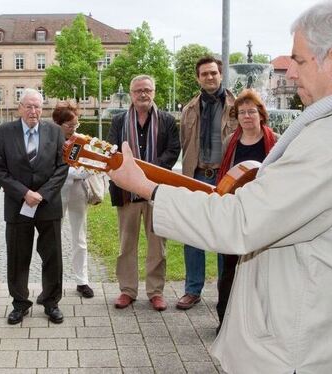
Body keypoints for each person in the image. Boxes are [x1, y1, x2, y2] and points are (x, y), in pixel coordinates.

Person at [107, 2, 332, 372]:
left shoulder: (330, 140)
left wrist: (149, 186)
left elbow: (241, 222)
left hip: (297, 343)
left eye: (298, 60)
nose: (291, 73)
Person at [0, 88, 68, 325]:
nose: (33, 111)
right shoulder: (4, 132)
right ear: (20, 108)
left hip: (48, 205)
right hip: (18, 205)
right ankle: (19, 304)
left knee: (53, 256)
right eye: (29, 106)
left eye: (37, 106)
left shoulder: (55, 132)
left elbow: (62, 167)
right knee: (17, 256)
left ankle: (51, 302)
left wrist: (42, 195)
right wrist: (24, 193)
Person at [107, 75, 180, 311]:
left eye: (147, 90)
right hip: (127, 192)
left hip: (156, 191)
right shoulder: (119, 121)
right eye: (138, 90)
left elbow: (173, 149)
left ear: (154, 92)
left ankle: (155, 291)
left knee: (157, 244)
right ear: (131, 93)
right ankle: (127, 290)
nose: (143, 94)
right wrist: (131, 174)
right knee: (126, 244)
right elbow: (112, 151)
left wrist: (149, 172)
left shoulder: (167, 120)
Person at [214, 89, 278, 332]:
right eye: (242, 112)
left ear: (261, 114)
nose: (247, 116)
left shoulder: (277, 141)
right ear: (236, 116)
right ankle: (225, 322)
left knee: (263, 269)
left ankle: (259, 323)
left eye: (252, 111)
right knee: (229, 269)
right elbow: (225, 176)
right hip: (235, 210)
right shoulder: (229, 142)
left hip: (264, 212)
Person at [177, 56, 238, 310]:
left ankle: (227, 290)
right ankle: (193, 290)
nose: (209, 77)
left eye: (213, 73)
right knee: (193, 234)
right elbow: (184, 144)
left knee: (225, 235)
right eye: (204, 74)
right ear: (198, 78)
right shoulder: (190, 109)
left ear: (221, 75)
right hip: (198, 175)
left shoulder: (237, 105)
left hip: (227, 177)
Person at [52, 101, 94, 298]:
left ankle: (82, 280)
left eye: (76, 125)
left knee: (80, 237)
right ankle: (54, 281)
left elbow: (87, 168)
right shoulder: (50, 140)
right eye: (69, 126)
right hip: (56, 193)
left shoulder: (81, 141)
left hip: (77, 192)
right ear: (58, 124)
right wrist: (72, 172)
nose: (73, 129)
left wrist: (73, 172)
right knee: (53, 238)